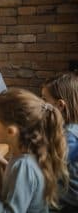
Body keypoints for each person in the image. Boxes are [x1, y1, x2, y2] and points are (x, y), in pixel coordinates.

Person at [0, 88, 69, 213]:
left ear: (11, 131)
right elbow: (22, 182)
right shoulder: (32, 153)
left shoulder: (24, 166)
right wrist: (2, 161)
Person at [42, 72, 78, 212]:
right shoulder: (69, 127)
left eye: (45, 100)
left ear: (60, 105)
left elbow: (41, 168)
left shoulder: (70, 137)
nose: (42, 104)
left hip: (66, 201)